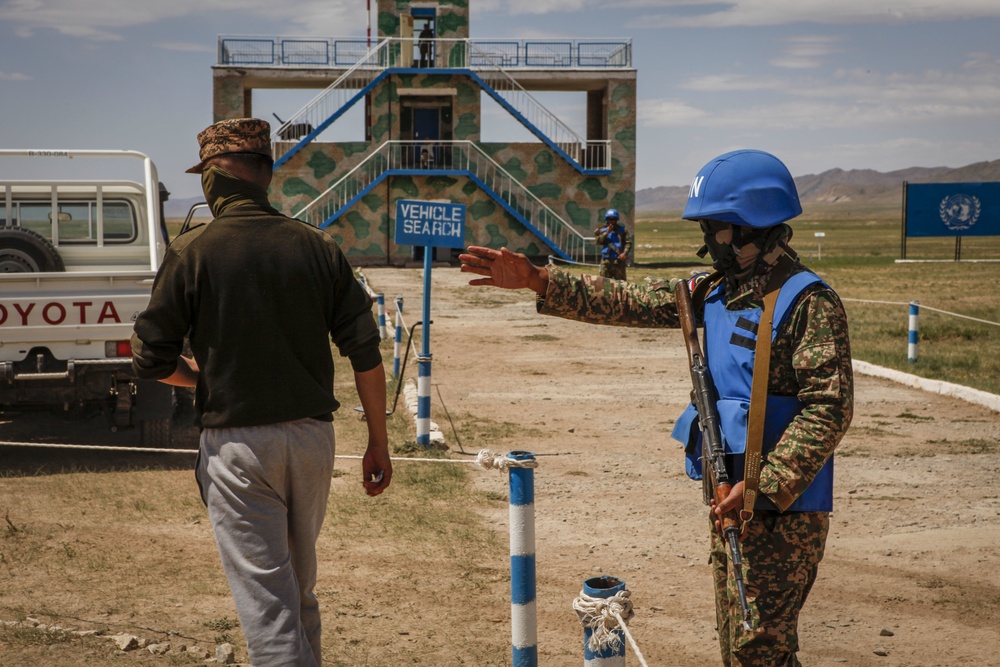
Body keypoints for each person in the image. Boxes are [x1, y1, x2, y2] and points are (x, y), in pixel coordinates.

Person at [460, 149, 853, 666]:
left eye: (717, 227)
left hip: (781, 508)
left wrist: (763, 484)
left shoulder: (808, 301)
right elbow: (628, 301)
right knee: (740, 640)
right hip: (726, 490)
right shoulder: (711, 291)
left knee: (761, 647)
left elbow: (829, 408)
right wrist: (539, 280)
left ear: (751, 226)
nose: (709, 239)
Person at [131, 118, 392, 667]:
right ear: (263, 176)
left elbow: (149, 357)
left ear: (214, 179)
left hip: (239, 448)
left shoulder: (192, 252)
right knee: (298, 594)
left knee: (269, 611)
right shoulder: (317, 246)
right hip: (313, 442)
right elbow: (365, 350)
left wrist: (199, 379)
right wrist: (378, 442)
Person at [594, 209, 631, 280]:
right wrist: (606, 233)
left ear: (616, 219)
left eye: (613, 219)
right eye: (609, 219)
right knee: (604, 284)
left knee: (621, 285)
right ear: (606, 219)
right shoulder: (602, 230)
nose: (611, 221)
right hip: (606, 262)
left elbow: (628, 243)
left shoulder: (622, 230)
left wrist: (625, 253)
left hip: (618, 261)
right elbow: (598, 241)